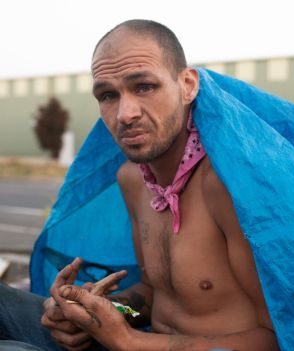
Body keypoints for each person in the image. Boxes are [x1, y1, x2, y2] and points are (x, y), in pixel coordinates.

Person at [0, 19, 279, 351]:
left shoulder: (226, 184)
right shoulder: (133, 179)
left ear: (188, 85)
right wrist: (96, 314)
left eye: (144, 86)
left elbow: (275, 338)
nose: (124, 113)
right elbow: (153, 293)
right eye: (107, 95)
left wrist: (130, 341)